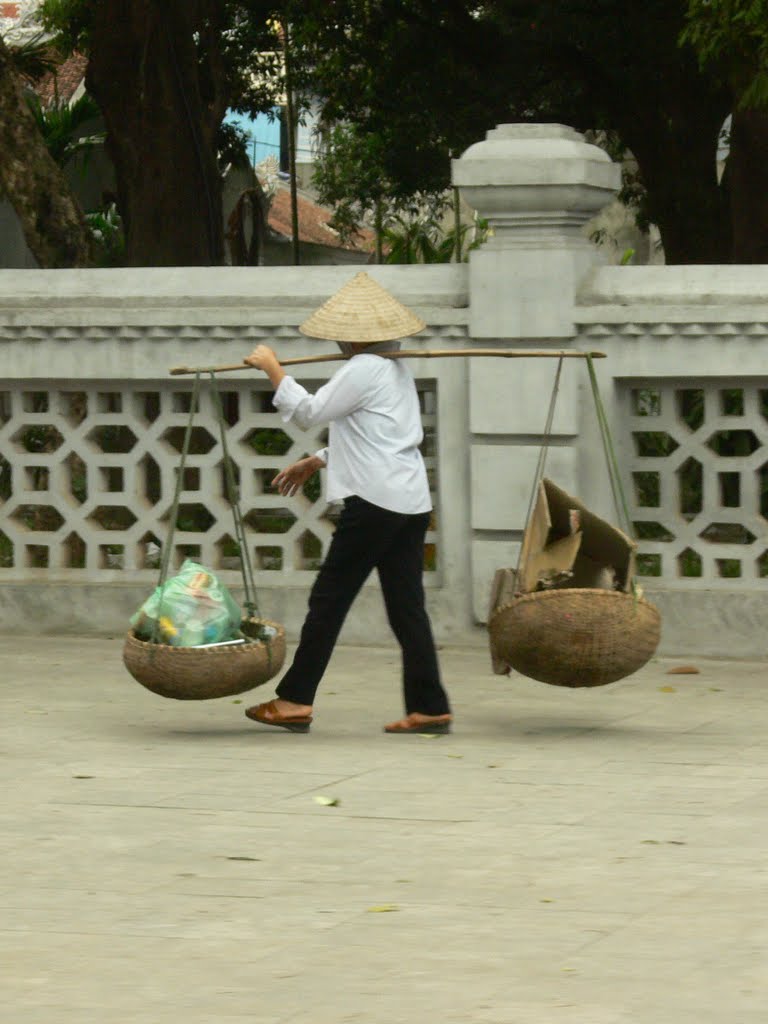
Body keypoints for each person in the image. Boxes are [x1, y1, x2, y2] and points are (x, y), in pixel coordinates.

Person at [241, 272, 451, 735]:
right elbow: (377, 438)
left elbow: (311, 412)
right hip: (409, 500)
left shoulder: (364, 368)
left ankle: (295, 700)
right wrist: (316, 461)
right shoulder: (395, 369)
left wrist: (272, 368)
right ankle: (429, 705)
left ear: (352, 338)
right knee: (406, 605)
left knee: (329, 598)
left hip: (376, 503)